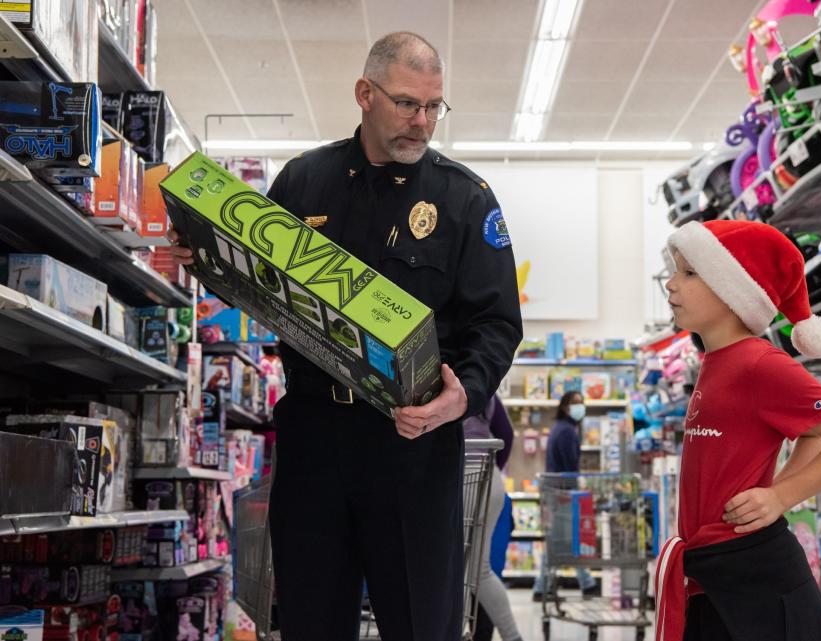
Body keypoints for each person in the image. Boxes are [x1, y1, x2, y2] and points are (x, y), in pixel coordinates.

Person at [168, 32, 523, 641]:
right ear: (365, 94)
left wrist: (463, 395)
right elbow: (258, 282)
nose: (424, 122)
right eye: (409, 104)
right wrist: (203, 257)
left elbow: (497, 323)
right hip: (314, 437)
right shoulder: (304, 181)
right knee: (310, 617)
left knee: (420, 622)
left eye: (435, 107)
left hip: (413, 444)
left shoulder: (464, 199)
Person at [656, 219, 821, 641]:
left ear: (733, 289)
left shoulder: (758, 363)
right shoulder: (717, 362)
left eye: (688, 272)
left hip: (753, 571)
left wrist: (780, 495)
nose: (671, 284)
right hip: (713, 569)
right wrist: (779, 487)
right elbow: (811, 432)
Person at [463, 395, 523, 641]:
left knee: (458, 570)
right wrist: (494, 467)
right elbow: (506, 433)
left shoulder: (432, 382)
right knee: (479, 570)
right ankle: (513, 637)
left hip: (463, 470)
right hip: (489, 473)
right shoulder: (482, 384)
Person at [532, 390, 600, 601]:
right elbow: (570, 466)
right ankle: (582, 583)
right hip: (563, 493)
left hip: (555, 492)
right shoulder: (568, 432)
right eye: (575, 403)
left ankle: (544, 586)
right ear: (565, 407)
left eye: (582, 402)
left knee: (560, 540)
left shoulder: (560, 429)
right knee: (568, 539)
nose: (580, 406)